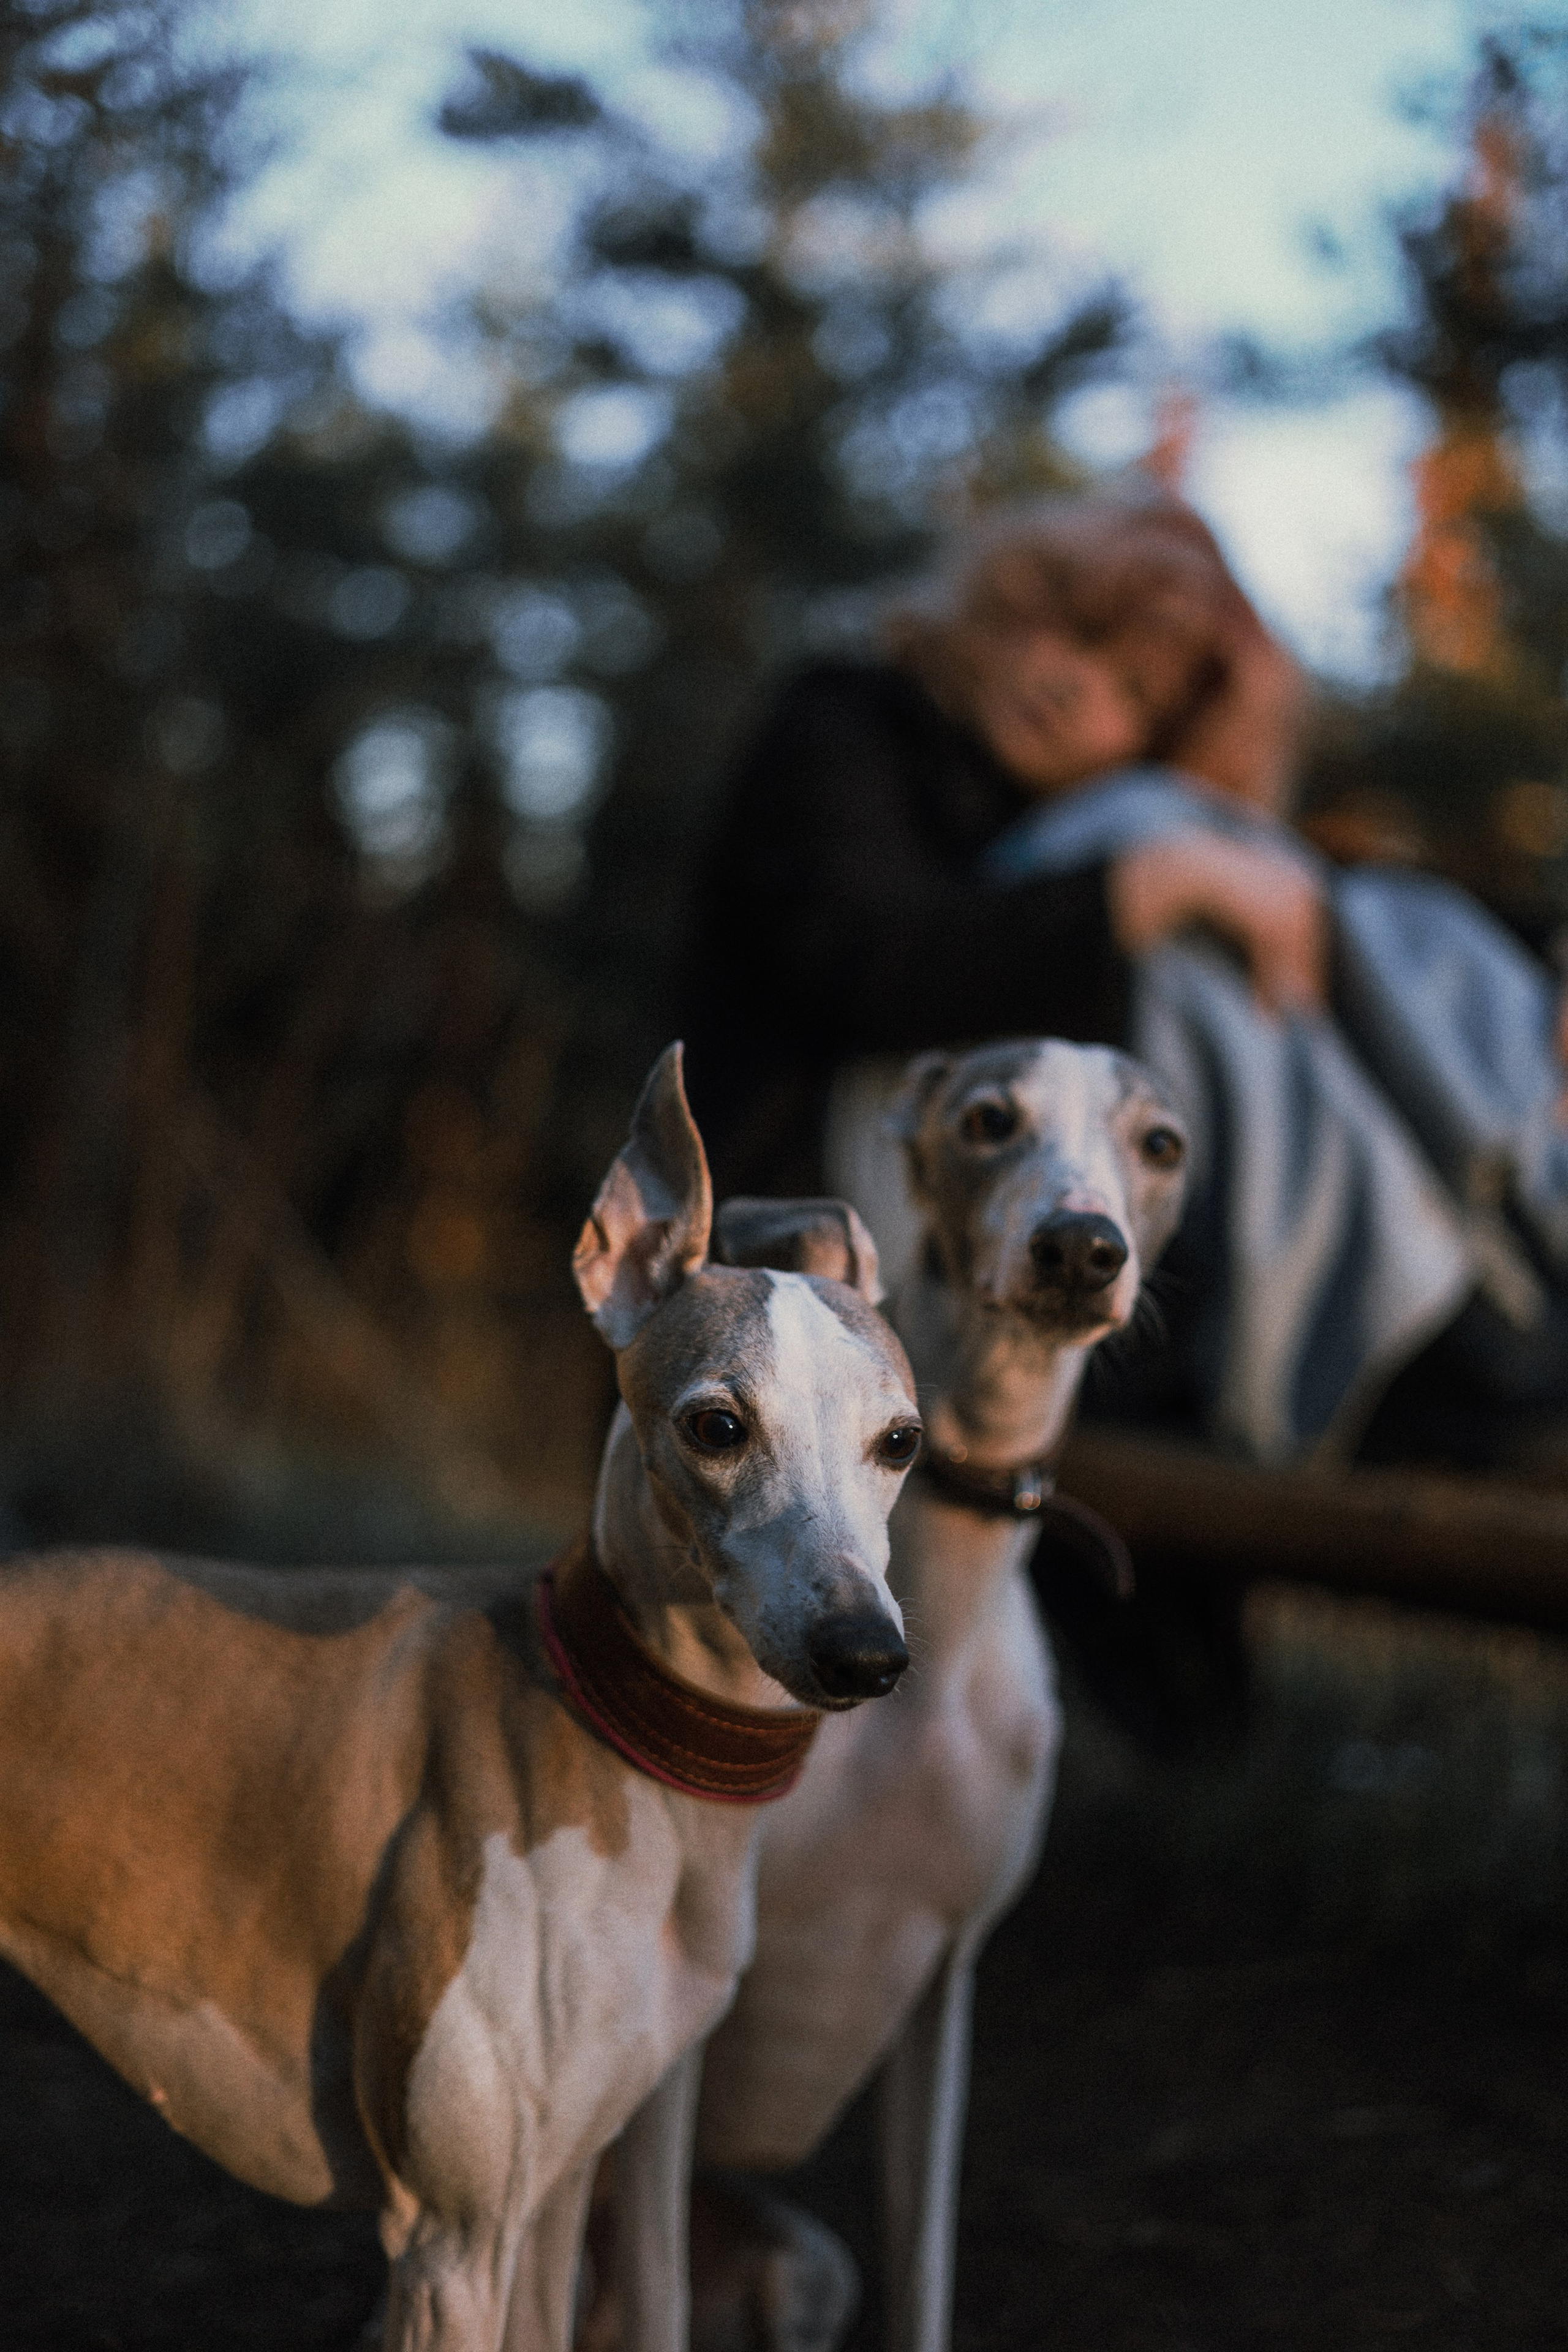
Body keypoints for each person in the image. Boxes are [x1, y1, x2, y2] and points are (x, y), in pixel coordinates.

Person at [684, 491, 1568, 1480]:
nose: (1079, 689)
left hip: (1073, 1266)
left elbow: (1327, 903)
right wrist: (1157, 881)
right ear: (1001, 604)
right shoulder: (850, 720)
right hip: (816, 1223)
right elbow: (859, 963)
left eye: (1135, 695)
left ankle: (1457, 1299)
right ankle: (1463, 1321)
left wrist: (1541, 965)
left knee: (1328, 905)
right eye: (1071, 632)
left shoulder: (1092, 812)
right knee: (1172, 850)